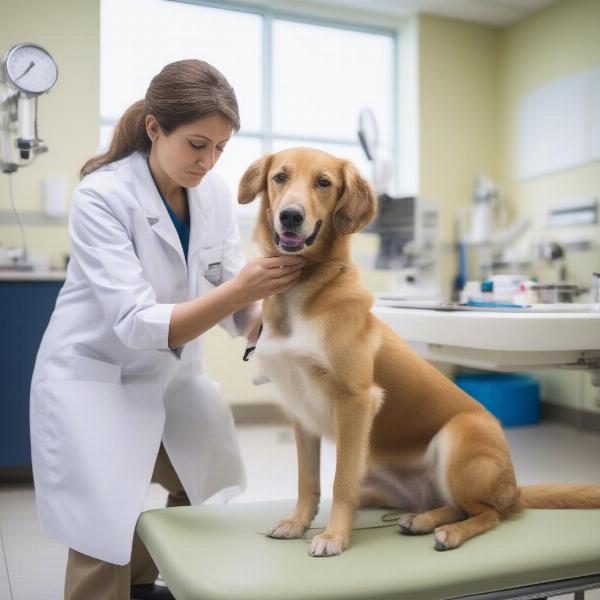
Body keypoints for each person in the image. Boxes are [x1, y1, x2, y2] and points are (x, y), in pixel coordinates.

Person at [29, 59, 305, 600]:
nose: (208, 161)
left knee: (204, 481)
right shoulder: (102, 197)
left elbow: (232, 298)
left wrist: (267, 325)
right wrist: (242, 290)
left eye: (221, 148)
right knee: (101, 524)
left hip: (173, 376)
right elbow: (136, 322)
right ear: (155, 128)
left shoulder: (216, 195)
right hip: (96, 378)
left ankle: (140, 585)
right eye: (197, 144)